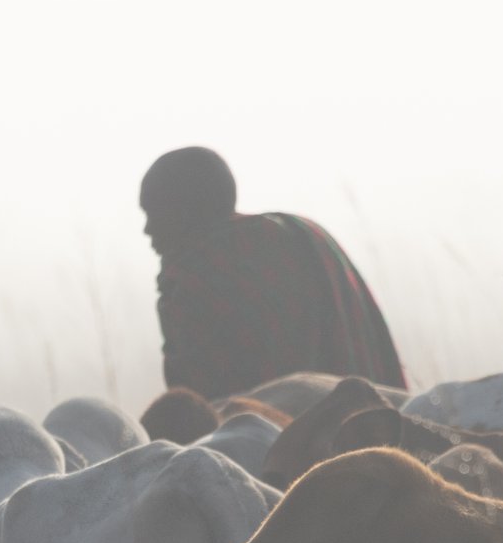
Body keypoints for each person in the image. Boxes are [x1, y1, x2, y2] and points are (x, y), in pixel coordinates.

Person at [141, 147, 406, 400]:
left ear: (187, 213)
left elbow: (198, 404)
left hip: (279, 442)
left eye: (156, 215)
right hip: (375, 425)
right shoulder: (306, 234)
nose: (148, 230)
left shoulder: (195, 273)